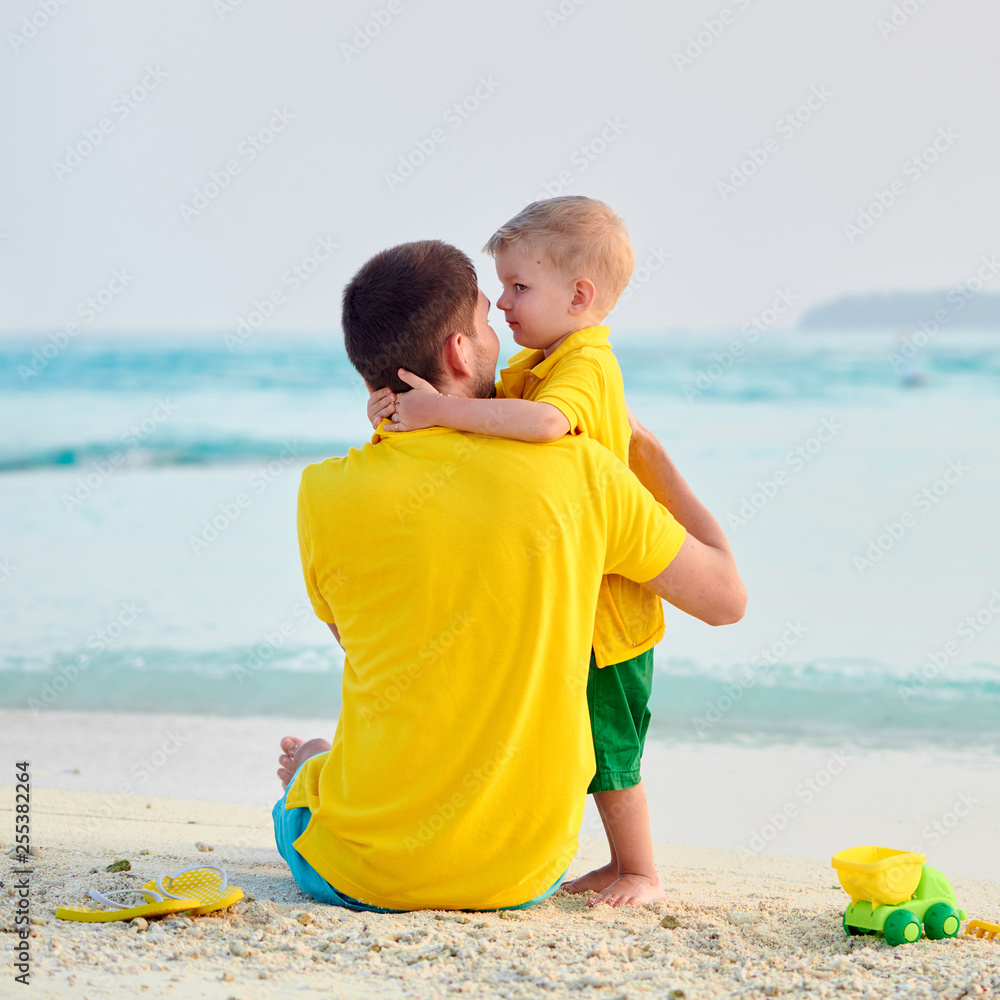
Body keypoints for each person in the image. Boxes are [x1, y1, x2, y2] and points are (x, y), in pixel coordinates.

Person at [274, 238, 746, 913]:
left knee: (304, 792)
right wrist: (650, 451)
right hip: (520, 876)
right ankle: (318, 763)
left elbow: (373, 642)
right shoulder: (581, 473)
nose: (501, 318)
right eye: (485, 319)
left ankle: (314, 768)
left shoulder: (323, 494)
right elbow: (727, 599)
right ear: (461, 352)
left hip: (357, 873)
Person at [364, 197, 707, 906]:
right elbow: (492, 417)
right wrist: (405, 414)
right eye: (502, 287)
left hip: (608, 608)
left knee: (612, 748)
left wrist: (445, 410)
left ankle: (639, 869)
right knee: (580, 738)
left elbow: (545, 425)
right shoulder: (540, 359)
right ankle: (611, 863)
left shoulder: (586, 360)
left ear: (581, 297)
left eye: (519, 288)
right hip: (570, 594)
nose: (501, 301)